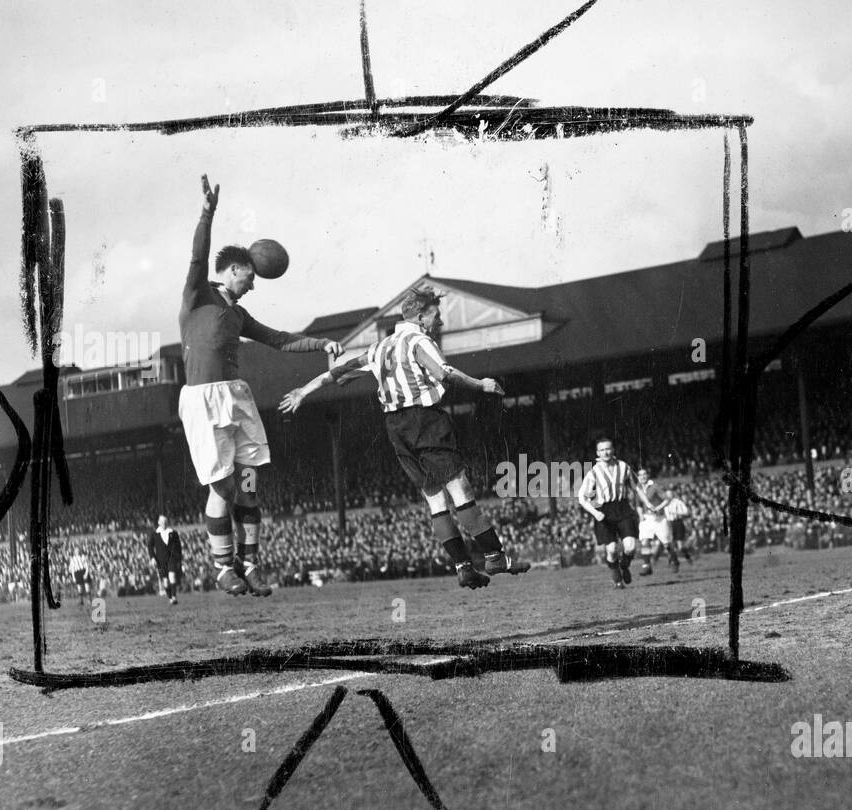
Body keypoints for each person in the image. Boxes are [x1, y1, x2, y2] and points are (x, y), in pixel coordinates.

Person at [281, 285, 529, 590]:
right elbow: (445, 373)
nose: (440, 321)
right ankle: (495, 556)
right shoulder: (418, 340)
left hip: (395, 428)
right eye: (436, 314)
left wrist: (303, 392)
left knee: (435, 498)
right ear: (422, 316)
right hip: (424, 420)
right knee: (459, 489)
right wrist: (482, 385)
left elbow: (337, 373)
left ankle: (464, 567)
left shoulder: (379, 348)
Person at [179, 173, 343, 597]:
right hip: (204, 400)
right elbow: (198, 258)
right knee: (222, 486)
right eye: (250, 277)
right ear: (234, 270)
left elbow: (280, 339)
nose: (254, 284)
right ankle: (222, 568)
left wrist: (322, 342)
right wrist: (206, 214)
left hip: (237, 397)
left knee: (248, 481)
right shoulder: (198, 296)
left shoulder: (238, 314)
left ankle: (250, 563)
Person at [577, 438, 658, 589]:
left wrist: (648, 503)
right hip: (604, 511)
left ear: (613, 450)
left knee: (630, 546)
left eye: (608, 449)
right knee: (612, 549)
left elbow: (637, 487)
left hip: (622, 507)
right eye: (602, 450)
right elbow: (582, 498)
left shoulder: (623, 466)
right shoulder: (594, 472)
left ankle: (624, 565)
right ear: (597, 453)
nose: (605, 452)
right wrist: (595, 513)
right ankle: (616, 578)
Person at [635, 468, 677, 574]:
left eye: (644, 474)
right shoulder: (638, 489)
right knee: (645, 541)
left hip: (659, 518)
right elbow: (638, 505)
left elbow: (667, 499)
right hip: (646, 518)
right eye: (640, 475)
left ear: (648, 475)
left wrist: (658, 508)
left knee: (667, 543)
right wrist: (640, 515)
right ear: (638, 477)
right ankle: (646, 566)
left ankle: (674, 561)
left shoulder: (655, 486)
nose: (642, 476)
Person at [147, 514, 184, 605]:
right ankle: (170, 597)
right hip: (160, 561)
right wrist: (152, 557)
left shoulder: (173, 533)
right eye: (162, 521)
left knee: (172, 576)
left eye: (165, 521)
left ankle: (174, 597)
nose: (164, 523)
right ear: (159, 522)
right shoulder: (155, 534)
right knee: (166, 582)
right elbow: (150, 546)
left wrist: (179, 558)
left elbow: (179, 546)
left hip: (172, 558)